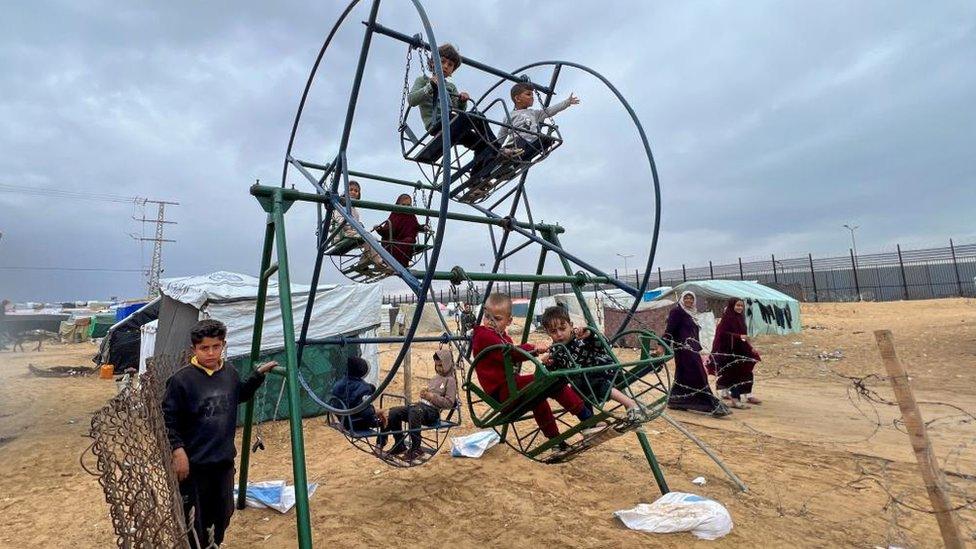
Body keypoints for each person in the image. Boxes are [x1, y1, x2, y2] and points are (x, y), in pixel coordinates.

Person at [162, 319, 277, 549]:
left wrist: (257, 377)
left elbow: (239, 395)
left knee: (224, 512)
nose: (211, 353)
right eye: (205, 348)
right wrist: (178, 450)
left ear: (223, 344)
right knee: (195, 518)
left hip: (223, 460)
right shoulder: (181, 380)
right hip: (194, 464)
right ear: (194, 349)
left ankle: (216, 543)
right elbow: (168, 419)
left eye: (216, 346)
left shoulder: (229, 372)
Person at [471, 293, 603, 447]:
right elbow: (510, 352)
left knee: (538, 399)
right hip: (501, 392)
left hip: (509, 387)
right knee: (551, 381)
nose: (491, 322)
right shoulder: (483, 335)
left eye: (497, 319)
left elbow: (511, 352)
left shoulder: (502, 337)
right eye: (487, 317)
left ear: (509, 321)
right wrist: (534, 348)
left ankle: (556, 442)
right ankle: (588, 419)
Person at [406, 43, 503, 180]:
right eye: (442, 61)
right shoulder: (423, 80)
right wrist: (430, 86)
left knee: (480, 144)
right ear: (433, 62)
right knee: (477, 116)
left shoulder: (450, 87)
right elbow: (412, 100)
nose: (445, 66)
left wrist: (462, 101)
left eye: (450, 65)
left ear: (453, 70)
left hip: (454, 123)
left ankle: (477, 177)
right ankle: (497, 149)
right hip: (437, 124)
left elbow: (458, 111)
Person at [537, 306, 644, 422]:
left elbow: (605, 345)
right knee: (575, 390)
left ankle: (631, 404)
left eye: (562, 328)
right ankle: (591, 423)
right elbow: (559, 371)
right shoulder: (555, 350)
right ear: (547, 332)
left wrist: (590, 336)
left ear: (571, 325)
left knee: (589, 379)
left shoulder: (581, 337)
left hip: (606, 371)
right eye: (553, 331)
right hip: (585, 382)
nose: (559, 334)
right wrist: (550, 363)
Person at [377, 348, 458, 463]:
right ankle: (399, 443)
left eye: (441, 366)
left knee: (415, 411)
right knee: (394, 411)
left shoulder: (450, 381)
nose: (439, 369)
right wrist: (424, 393)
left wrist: (431, 397)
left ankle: (416, 448)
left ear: (448, 364)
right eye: (437, 366)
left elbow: (449, 403)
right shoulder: (435, 378)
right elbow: (430, 393)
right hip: (421, 407)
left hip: (432, 412)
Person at [663, 291, 730, 417]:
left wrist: (698, 347)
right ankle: (707, 404)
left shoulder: (692, 314)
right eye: (686, 298)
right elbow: (669, 330)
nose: (688, 301)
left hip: (692, 349)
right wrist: (662, 345)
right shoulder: (677, 312)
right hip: (683, 349)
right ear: (682, 299)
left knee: (683, 375)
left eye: (691, 298)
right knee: (698, 374)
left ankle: (677, 400)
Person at [497, 83, 580, 162]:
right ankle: (507, 154)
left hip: (532, 143)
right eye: (528, 94)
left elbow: (550, 110)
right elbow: (501, 134)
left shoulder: (534, 113)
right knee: (517, 142)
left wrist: (567, 102)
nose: (532, 97)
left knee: (547, 139)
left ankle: (514, 157)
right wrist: (496, 147)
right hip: (517, 143)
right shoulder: (510, 116)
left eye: (532, 95)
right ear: (518, 98)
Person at [712, 298, 762, 408]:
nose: (739, 307)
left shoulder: (740, 318)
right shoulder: (727, 319)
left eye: (741, 305)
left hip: (741, 350)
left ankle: (746, 395)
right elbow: (722, 335)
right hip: (731, 352)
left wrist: (751, 347)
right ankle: (735, 399)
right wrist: (738, 337)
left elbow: (744, 335)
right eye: (737, 305)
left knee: (746, 373)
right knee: (735, 375)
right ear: (732, 306)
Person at [330, 356, 386, 434]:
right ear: (363, 371)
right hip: (355, 423)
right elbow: (366, 412)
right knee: (389, 416)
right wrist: (375, 413)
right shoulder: (363, 388)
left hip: (343, 419)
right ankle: (383, 442)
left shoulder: (338, 384)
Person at [373, 194, 427, 268]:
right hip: (392, 243)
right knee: (392, 245)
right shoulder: (395, 215)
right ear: (398, 204)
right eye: (403, 204)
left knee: (409, 241)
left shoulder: (411, 216)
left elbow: (416, 226)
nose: (406, 207)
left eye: (408, 205)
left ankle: (402, 265)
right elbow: (387, 231)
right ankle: (390, 263)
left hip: (406, 244)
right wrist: (380, 229)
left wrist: (424, 228)